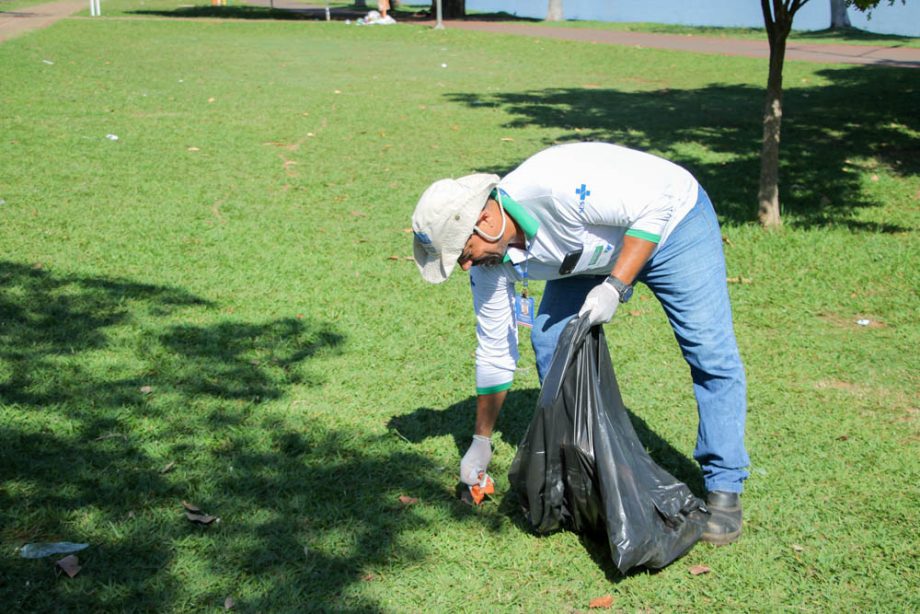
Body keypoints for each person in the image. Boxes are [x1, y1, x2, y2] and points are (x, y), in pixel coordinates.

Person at [410, 142, 749, 545]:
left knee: (708, 350)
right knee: (551, 340)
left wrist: (616, 286)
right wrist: (481, 441)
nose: (466, 265)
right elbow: (495, 351)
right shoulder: (489, 265)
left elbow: (656, 206)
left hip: (674, 223)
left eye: (464, 253)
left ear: (485, 219)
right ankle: (585, 474)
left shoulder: (554, 189)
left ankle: (725, 483)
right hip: (589, 252)